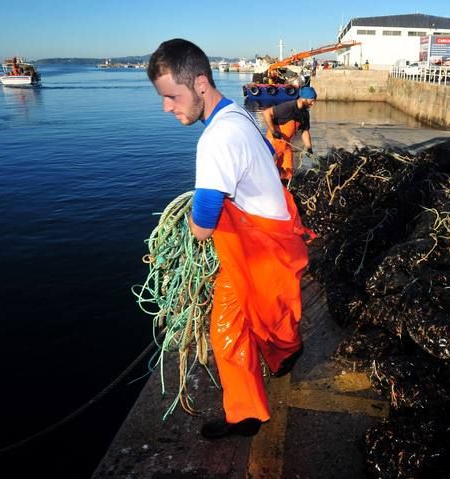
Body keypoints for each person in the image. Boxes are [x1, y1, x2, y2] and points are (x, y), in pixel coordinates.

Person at [147, 39, 309, 439]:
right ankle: (268, 379)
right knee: (255, 320)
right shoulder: (236, 115)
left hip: (260, 250)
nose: (167, 107)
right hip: (273, 238)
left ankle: (259, 396)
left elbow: (202, 222)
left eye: (172, 96)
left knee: (246, 325)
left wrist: (186, 231)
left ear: (200, 83)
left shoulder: (215, 139)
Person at [262, 86, 317, 180]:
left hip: (287, 144)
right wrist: (273, 131)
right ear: (304, 98)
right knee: (271, 171)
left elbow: (305, 131)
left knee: (288, 172)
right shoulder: (288, 107)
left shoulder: (305, 114)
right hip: (274, 143)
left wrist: (309, 148)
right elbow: (266, 113)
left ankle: (287, 188)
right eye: (311, 100)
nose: (313, 103)